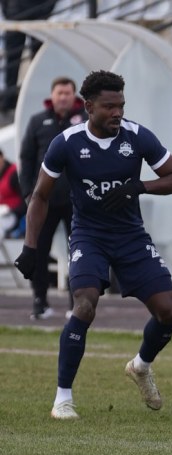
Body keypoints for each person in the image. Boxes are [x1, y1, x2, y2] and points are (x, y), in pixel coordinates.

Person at [14, 70, 172, 420]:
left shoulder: (137, 137)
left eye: (121, 105)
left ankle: (141, 366)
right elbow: (40, 196)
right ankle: (63, 399)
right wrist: (31, 248)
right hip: (88, 236)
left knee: (169, 312)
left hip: (131, 237)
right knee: (84, 305)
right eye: (109, 106)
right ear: (89, 107)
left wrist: (139, 187)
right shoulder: (66, 142)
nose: (117, 113)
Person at [19, 75, 86, 319]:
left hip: (77, 201)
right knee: (37, 249)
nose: (64, 98)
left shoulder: (85, 121)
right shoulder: (38, 121)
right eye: (60, 93)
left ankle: (76, 303)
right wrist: (28, 192)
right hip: (44, 200)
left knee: (79, 252)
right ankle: (40, 302)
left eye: (68, 93)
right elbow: (26, 158)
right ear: (52, 95)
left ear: (74, 96)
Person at [0, 0, 57, 112]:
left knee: (38, 59)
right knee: (13, 58)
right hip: (16, 15)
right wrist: (8, 13)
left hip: (36, 15)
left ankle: (35, 97)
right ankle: (9, 99)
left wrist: (46, 10)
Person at [0, 149, 25, 235]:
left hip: (14, 215)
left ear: (2, 157)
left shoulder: (14, 173)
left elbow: (25, 200)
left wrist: (11, 210)